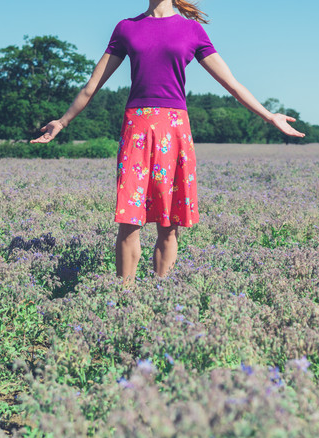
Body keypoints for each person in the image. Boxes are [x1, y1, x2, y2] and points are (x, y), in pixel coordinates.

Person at [31, 0, 305, 283]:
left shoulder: (192, 31)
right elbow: (92, 86)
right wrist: (62, 122)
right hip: (136, 129)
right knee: (129, 220)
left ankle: (160, 297)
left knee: (170, 224)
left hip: (175, 130)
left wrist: (269, 116)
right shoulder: (126, 28)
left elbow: (232, 84)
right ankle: (124, 298)